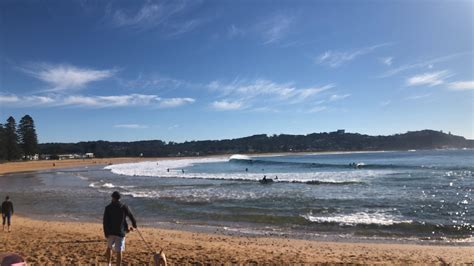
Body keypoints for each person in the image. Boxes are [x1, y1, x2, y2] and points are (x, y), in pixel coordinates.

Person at [103, 191, 137, 266]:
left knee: (109, 247)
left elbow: (105, 221)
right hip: (120, 232)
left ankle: (109, 263)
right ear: (119, 198)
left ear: (113, 198)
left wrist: (106, 232)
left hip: (110, 232)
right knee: (119, 251)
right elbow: (131, 216)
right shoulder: (124, 206)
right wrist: (134, 225)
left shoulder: (108, 208)